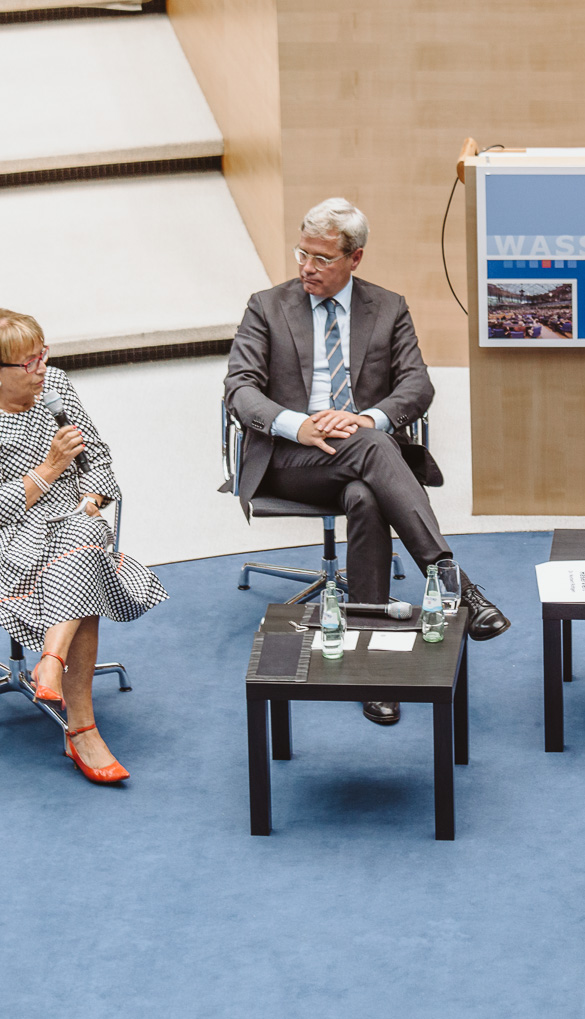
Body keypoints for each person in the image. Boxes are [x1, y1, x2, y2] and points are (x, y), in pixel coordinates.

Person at [225, 198, 510, 726]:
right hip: (292, 460)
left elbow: (416, 384)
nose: (307, 267)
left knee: (365, 492)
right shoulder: (266, 306)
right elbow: (239, 388)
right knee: (377, 451)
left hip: (363, 462)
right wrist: (298, 424)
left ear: (354, 258)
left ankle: (372, 670)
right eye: (302, 253)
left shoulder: (388, 306)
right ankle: (452, 583)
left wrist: (370, 418)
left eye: (322, 258)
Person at [0, 309, 167, 784]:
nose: (41, 369)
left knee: (83, 540)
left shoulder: (57, 387)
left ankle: (52, 667)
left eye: (42, 355)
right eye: (28, 363)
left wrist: (93, 496)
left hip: (67, 525)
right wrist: (49, 469)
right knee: (86, 562)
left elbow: (98, 458)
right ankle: (81, 728)